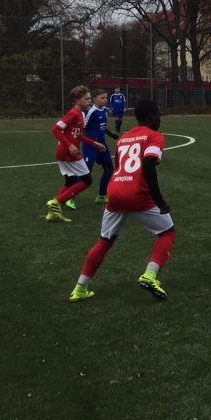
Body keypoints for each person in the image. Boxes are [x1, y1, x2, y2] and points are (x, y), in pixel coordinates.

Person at [68, 100, 176, 302]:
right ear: (151, 117)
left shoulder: (124, 138)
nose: (160, 120)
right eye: (159, 116)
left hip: (115, 191)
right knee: (167, 233)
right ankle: (150, 275)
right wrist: (159, 201)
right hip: (138, 194)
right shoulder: (154, 136)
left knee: (104, 241)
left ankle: (80, 288)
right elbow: (148, 166)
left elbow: (119, 168)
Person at [46, 86, 105, 223]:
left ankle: (53, 212)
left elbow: (78, 135)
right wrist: (70, 145)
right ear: (77, 100)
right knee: (87, 180)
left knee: (71, 181)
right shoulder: (73, 113)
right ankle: (57, 202)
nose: (89, 101)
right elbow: (55, 129)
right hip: (68, 152)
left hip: (64, 151)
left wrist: (93, 143)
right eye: (86, 99)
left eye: (90, 98)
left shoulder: (81, 114)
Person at [82, 89, 121, 204]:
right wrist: (91, 140)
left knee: (109, 169)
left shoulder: (104, 110)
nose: (105, 100)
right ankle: (71, 197)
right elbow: (82, 129)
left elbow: (102, 127)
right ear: (94, 99)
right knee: (86, 172)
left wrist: (111, 135)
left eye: (106, 98)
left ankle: (102, 196)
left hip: (102, 145)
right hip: (91, 145)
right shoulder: (90, 112)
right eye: (102, 98)